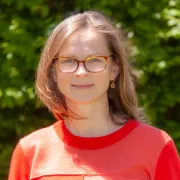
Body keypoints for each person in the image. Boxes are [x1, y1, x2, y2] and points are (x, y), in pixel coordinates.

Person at [8, 10, 180, 180]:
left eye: (95, 60)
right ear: (54, 72)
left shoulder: (156, 146)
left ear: (114, 69)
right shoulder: (31, 151)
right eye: (68, 60)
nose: (81, 72)